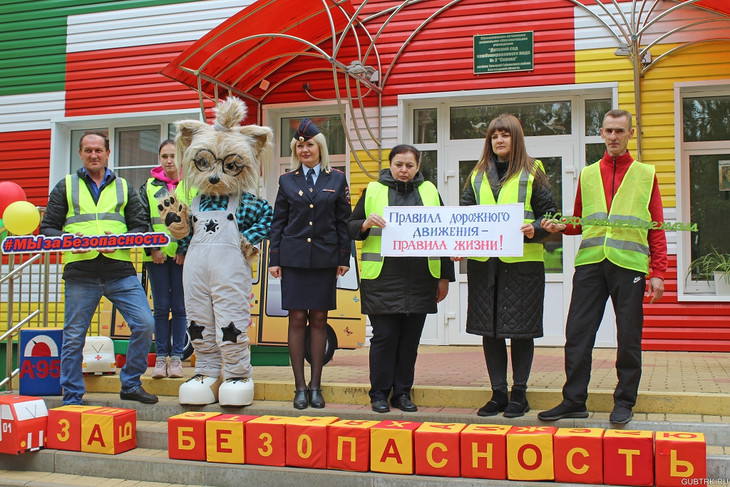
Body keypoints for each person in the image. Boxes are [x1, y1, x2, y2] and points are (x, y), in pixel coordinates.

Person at [538, 109, 667, 424]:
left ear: (630, 134)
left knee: (629, 336)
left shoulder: (646, 174)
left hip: (630, 266)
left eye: (620, 131)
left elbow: (657, 227)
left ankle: (624, 401)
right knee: (578, 333)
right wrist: (560, 226)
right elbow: (581, 221)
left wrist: (659, 273)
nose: (613, 137)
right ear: (601, 132)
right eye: (609, 131)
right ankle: (573, 400)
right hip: (591, 264)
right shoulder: (588, 173)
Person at [40, 131, 157, 405]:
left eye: (98, 150)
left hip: (119, 270)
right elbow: (47, 228)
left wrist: (117, 240)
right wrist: (69, 241)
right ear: (80, 154)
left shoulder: (124, 186)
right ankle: (72, 396)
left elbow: (140, 226)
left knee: (145, 324)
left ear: (107, 153)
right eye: (88, 150)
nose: (94, 155)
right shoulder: (65, 186)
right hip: (80, 273)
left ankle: (130, 384)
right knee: (73, 338)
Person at [455, 114, 558, 418]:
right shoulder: (475, 175)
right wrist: (458, 245)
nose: (498, 140)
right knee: (491, 330)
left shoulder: (533, 170)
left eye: (505, 135)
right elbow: (465, 218)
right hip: (485, 266)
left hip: (523, 265)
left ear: (516, 138)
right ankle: (498, 393)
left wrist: (536, 228)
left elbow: (550, 213)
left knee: (521, 332)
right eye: (494, 136)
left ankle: (520, 394)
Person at [348, 144, 455, 413]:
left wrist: (444, 277)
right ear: (390, 165)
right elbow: (349, 227)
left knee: (409, 341)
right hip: (382, 278)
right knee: (384, 337)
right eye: (398, 165)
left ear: (417, 167)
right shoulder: (373, 190)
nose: (403, 170)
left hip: (420, 278)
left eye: (409, 165)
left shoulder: (430, 191)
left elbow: (444, 234)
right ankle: (380, 394)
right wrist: (365, 223)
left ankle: (402, 393)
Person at [268, 118, 352, 410]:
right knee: (296, 320)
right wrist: (274, 259)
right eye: (300, 146)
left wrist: (344, 258)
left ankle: (316, 386)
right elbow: (278, 222)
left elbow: (343, 222)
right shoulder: (287, 180)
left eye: (310, 144)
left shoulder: (337, 179)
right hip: (293, 260)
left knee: (319, 320)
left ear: (320, 148)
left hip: (324, 260)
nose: (305, 150)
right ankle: (299, 387)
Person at [138, 139, 187, 379]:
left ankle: (176, 358)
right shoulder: (148, 185)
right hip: (156, 257)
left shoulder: (190, 184)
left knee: (179, 308)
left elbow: (194, 219)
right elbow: (142, 219)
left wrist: (184, 250)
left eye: (173, 155)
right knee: (160, 308)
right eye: (165, 156)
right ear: (159, 158)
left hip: (181, 257)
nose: (169, 160)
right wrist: (152, 248)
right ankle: (160, 359)